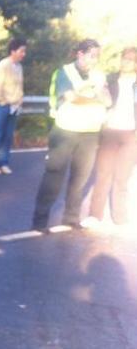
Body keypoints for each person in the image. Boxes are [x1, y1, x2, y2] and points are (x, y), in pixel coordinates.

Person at [32, 39, 111, 232]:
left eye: (96, 57)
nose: (94, 60)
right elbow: (70, 98)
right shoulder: (64, 72)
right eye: (91, 55)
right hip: (65, 131)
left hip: (90, 134)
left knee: (80, 178)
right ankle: (40, 220)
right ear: (80, 54)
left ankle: (71, 217)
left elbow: (108, 101)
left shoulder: (99, 75)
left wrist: (91, 97)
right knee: (54, 176)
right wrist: (94, 98)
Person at [82, 47, 137, 227]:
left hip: (131, 135)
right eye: (124, 58)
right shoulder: (111, 79)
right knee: (103, 174)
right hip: (110, 132)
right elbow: (99, 97)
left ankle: (119, 216)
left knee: (122, 177)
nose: (126, 62)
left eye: (131, 59)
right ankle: (94, 215)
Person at [0, 38, 27, 175]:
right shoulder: (3, 65)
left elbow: (20, 86)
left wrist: (19, 101)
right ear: (13, 51)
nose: (23, 54)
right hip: (1, 105)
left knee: (8, 136)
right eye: (22, 51)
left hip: (14, 106)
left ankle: (3, 162)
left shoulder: (19, 67)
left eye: (24, 51)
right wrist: (3, 102)